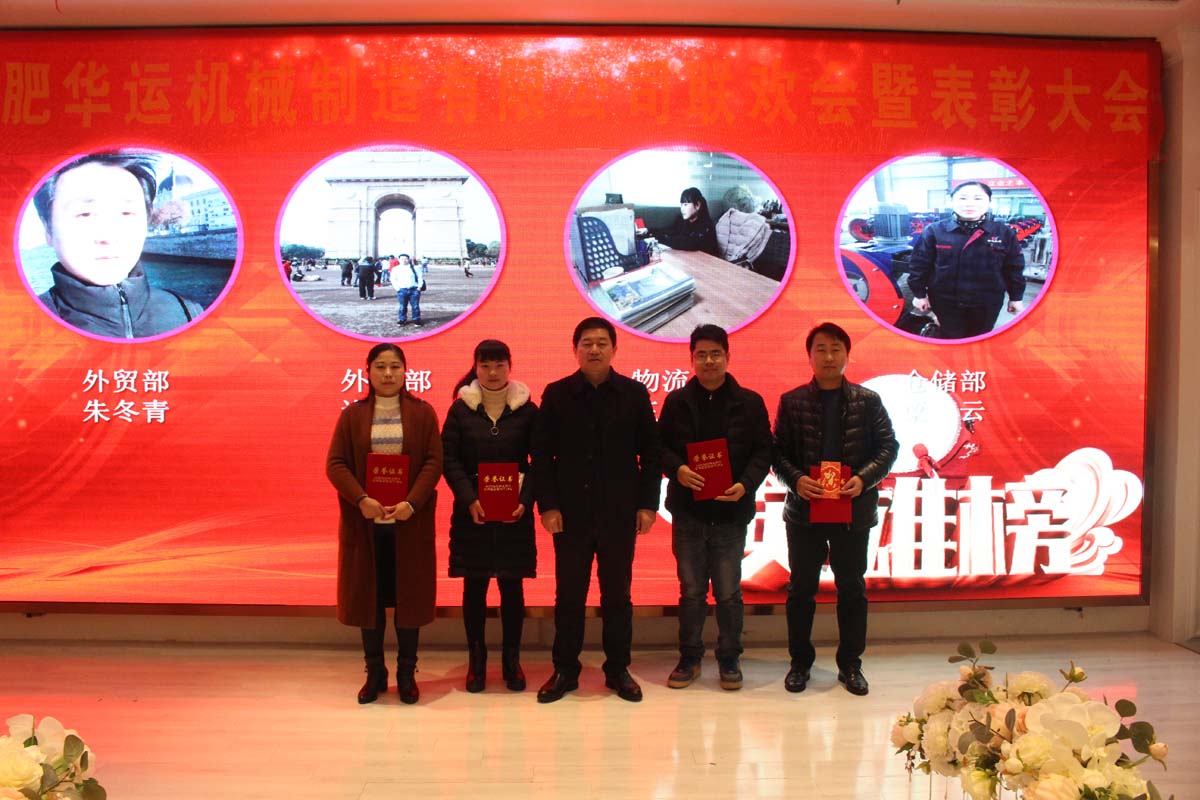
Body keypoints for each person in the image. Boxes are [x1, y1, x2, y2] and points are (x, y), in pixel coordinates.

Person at [531, 317, 661, 703]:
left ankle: (618, 669)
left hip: (619, 513)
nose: (594, 350)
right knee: (569, 595)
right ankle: (564, 669)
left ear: (614, 349)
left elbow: (651, 454)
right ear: (575, 350)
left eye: (602, 343)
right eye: (586, 343)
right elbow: (541, 455)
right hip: (570, 515)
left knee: (617, 596)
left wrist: (647, 505)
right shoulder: (557, 394)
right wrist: (548, 506)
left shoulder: (634, 394)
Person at [772, 322, 897, 696]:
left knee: (852, 588)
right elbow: (777, 453)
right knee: (801, 589)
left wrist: (864, 479)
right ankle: (800, 663)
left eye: (836, 349)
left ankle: (851, 665)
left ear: (847, 354)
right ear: (809, 356)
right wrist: (796, 480)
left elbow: (888, 447)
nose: (828, 357)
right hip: (805, 511)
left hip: (852, 510)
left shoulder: (867, 400)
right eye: (821, 349)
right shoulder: (792, 401)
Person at [326, 343, 443, 705]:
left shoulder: (423, 413)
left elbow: (433, 462)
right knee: (369, 599)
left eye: (395, 366)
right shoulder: (353, 415)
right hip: (366, 524)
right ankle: (374, 672)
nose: (388, 373)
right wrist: (362, 500)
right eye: (380, 366)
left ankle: (407, 673)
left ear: (406, 372)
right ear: (368, 372)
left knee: (409, 598)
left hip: (408, 523)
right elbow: (336, 464)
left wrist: (411, 503)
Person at [658, 324, 773, 691]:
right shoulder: (677, 402)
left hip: (730, 514)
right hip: (688, 513)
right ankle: (689, 657)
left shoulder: (750, 402)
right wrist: (678, 470)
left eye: (715, 354)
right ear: (691, 359)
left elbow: (764, 450)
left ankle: (729, 657)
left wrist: (745, 484)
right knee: (691, 591)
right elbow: (658, 447)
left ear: (727, 357)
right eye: (701, 355)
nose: (709, 361)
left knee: (728, 592)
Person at [441, 339, 538, 693]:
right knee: (475, 586)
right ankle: (477, 660)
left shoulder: (528, 409)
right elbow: (448, 459)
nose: (493, 373)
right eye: (485, 366)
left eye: (499, 365)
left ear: (510, 366)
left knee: (512, 587)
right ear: (476, 367)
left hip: (515, 514)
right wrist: (469, 498)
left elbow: (541, 460)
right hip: (473, 514)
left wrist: (525, 500)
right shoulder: (460, 410)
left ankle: (512, 660)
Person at [30, 151, 204, 339]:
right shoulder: (25, 329)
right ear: (48, 229)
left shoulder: (188, 313)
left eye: (126, 213)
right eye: (85, 214)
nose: (108, 236)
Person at [906, 181, 1027, 339]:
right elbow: (919, 264)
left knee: (980, 338)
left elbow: (1014, 267)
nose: (970, 203)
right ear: (951, 201)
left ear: (989, 202)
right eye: (962, 198)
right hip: (945, 301)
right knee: (950, 337)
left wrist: (1016, 297)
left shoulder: (1003, 233)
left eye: (978, 198)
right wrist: (919, 294)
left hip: (987, 302)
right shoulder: (935, 231)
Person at [650, 187, 720, 257]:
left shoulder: (706, 226)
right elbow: (671, 230)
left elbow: (691, 243)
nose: (682, 209)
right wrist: (651, 232)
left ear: (697, 205)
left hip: (706, 260)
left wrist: (662, 239)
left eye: (685, 205)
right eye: (681, 205)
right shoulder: (683, 221)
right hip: (690, 258)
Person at [389, 253, 422, 326]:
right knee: (402, 306)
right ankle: (402, 319)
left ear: (409, 259)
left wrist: (419, 287)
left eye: (406, 259)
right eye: (402, 259)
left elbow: (420, 277)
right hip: (402, 290)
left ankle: (416, 319)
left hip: (414, 290)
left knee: (415, 306)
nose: (404, 260)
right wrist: (397, 288)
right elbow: (393, 279)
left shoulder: (415, 268)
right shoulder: (396, 269)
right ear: (399, 260)